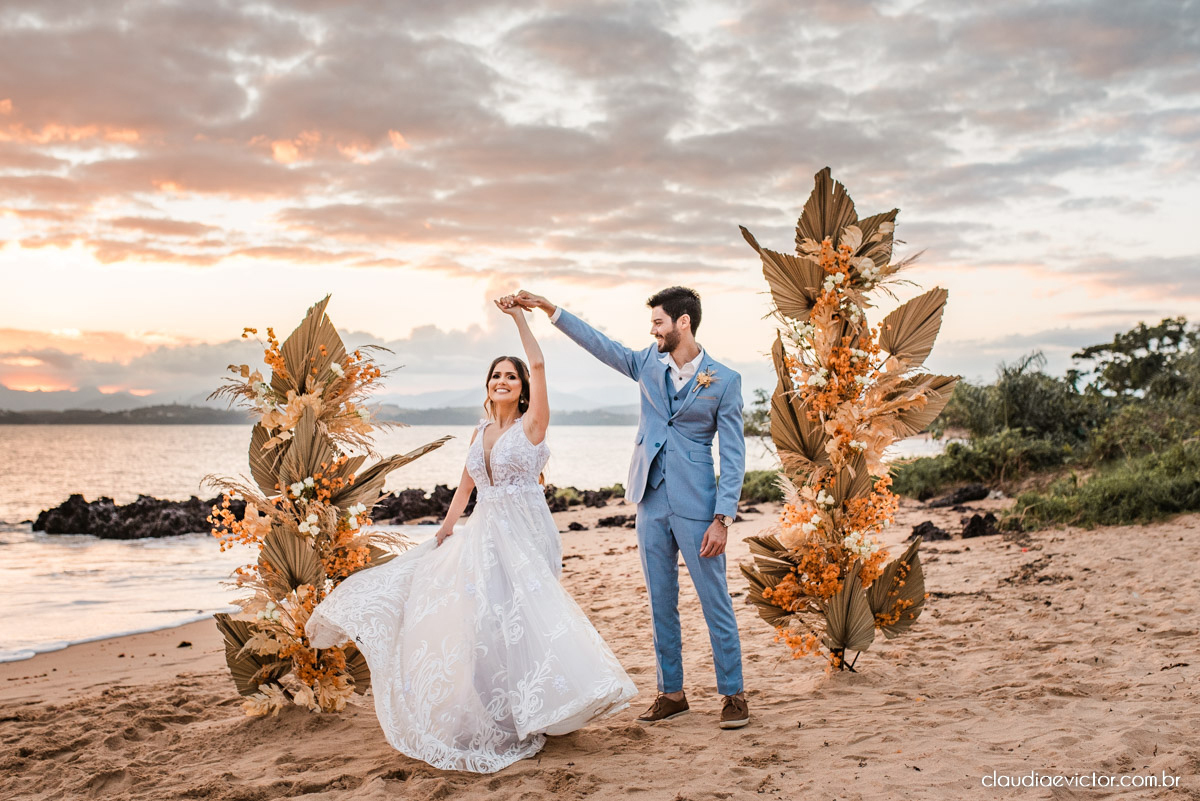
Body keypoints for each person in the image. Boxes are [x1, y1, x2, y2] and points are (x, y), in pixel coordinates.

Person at [305, 296, 636, 774]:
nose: (502, 380)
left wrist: (520, 318)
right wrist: (443, 530)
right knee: (484, 621)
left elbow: (540, 361)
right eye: (496, 375)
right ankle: (502, 710)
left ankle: (542, 709)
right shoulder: (479, 430)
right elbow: (467, 486)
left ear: (523, 389)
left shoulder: (533, 426)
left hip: (526, 531)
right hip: (484, 533)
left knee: (526, 617)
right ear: (488, 386)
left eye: (511, 376)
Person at [515, 286, 749, 729]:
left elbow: (734, 455)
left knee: (714, 599)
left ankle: (733, 694)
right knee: (661, 601)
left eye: (659, 322)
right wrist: (550, 309)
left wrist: (723, 518)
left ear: (683, 322)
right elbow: (600, 345)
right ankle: (671, 693)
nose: (653, 330)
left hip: (699, 503)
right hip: (649, 499)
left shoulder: (726, 380)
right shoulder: (645, 363)